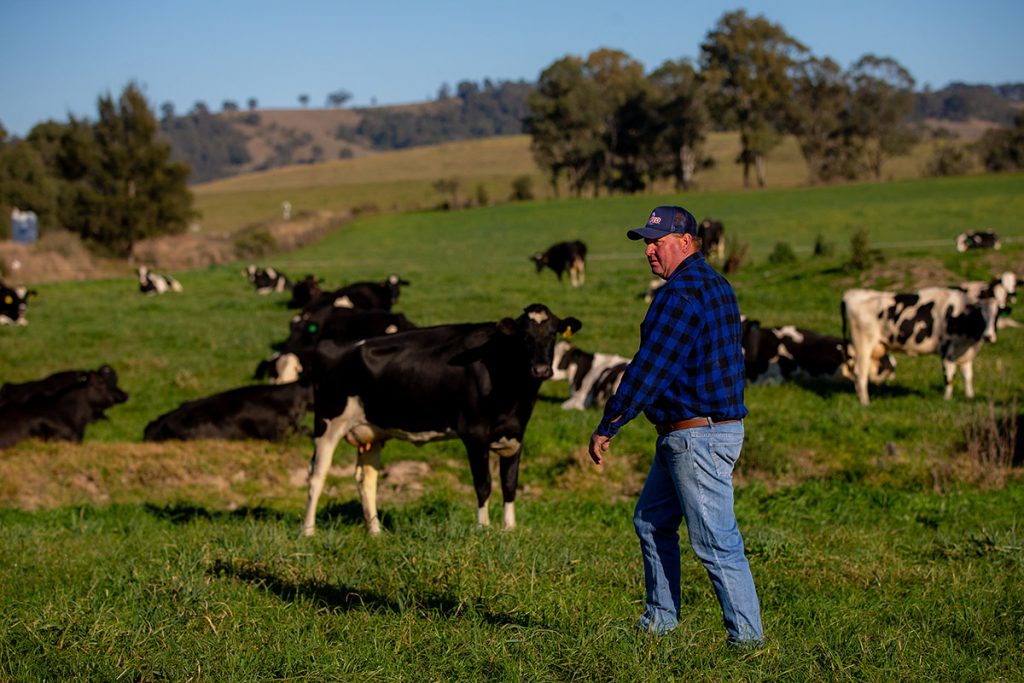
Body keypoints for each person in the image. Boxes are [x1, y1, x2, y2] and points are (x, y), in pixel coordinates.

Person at [588, 205, 763, 647]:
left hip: (694, 437)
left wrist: (611, 422)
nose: (649, 250)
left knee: (716, 543)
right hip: (702, 430)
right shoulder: (717, 286)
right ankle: (660, 622)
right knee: (651, 520)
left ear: (686, 242)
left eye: (657, 241)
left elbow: (650, 369)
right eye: (646, 242)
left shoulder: (678, 295)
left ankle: (748, 644)